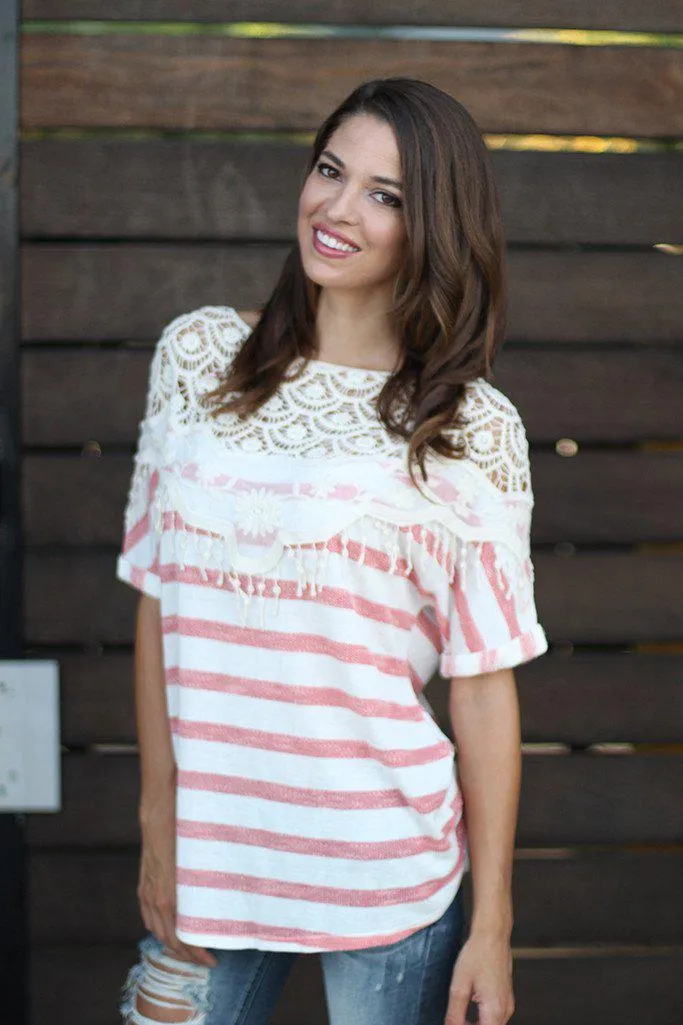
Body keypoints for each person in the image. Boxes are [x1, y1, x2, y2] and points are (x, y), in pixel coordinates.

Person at [116, 77, 548, 1025]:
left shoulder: (469, 429)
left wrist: (493, 923)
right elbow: (158, 597)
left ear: (432, 224)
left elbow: (481, 683)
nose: (338, 208)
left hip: (384, 870)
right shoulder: (196, 360)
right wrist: (159, 815)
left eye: (384, 195)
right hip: (211, 861)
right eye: (329, 170)